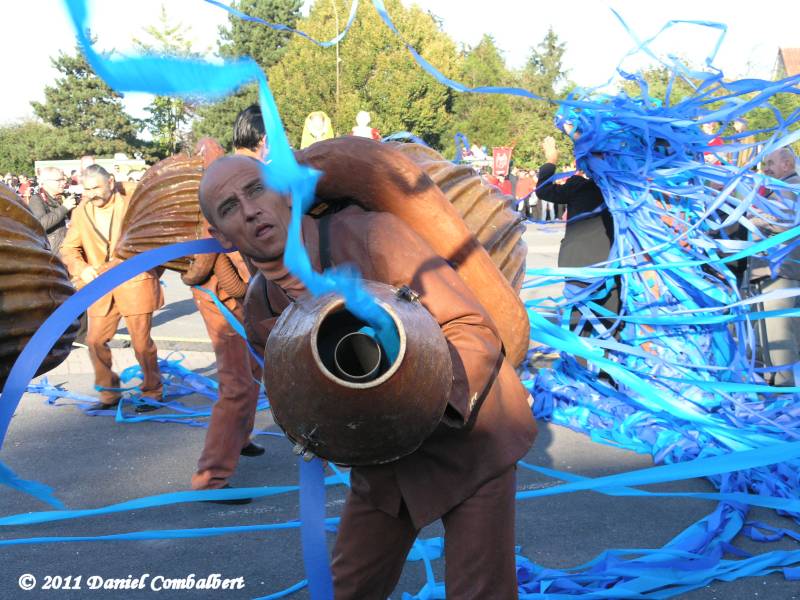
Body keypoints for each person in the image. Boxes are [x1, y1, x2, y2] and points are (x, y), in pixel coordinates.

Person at [198, 148, 537, 598]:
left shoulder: (372, 235)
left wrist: (418, 394)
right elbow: (297, 398)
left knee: (479, 592)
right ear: (221, 236)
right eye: (230, 207)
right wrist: (323, 432)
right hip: (384, 463)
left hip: (471, 438)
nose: (250, 210)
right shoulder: (261, 305)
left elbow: (470, 328)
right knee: (349, 589)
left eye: (256, 190)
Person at [185, 138, 265, 501]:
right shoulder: (211, 198)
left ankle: (241, 437)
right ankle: (210, 478)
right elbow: (204, 260)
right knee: (237, 384)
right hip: (220, 300)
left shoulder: (238, 185)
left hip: (243, 297)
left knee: (253, 370)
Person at [60, 165, 164, 412]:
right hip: (100, 289)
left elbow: (147, 243)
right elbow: (68, 248)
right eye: (86, 189)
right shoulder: (81, 211)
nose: (91, 194)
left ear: (111, 182)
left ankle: (152, 391)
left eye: (96, 188)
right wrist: (81, 268)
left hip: (135, 284)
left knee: (141, 344)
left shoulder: (133, 204)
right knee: (94, 340)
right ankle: (108, 393)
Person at [537, 134, 617, 332]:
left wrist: (551, 159)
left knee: (580, 323)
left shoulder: (579, 187)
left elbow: (543, 190)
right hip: (611, 263)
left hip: (580, 263)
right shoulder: (620, 189)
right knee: (610, 323)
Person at [746, 147, 800, 386]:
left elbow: (783, 220)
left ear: (786, 164)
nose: (765, 169)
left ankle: (784, 391)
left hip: (779, 272)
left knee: (778, 337)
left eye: (770, 163)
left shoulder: (790, 187)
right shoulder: (781, 188)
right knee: (770, 334)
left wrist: (751, 216)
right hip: (774, 271)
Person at [27, 167, 77, 253]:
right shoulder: (36, 199)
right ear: (47, 182)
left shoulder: (63, 197)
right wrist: (64, 208)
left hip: (70, 248)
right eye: (59, 180)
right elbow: (40, 225)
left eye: (64, 179)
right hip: (53, 253)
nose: (64, 182)